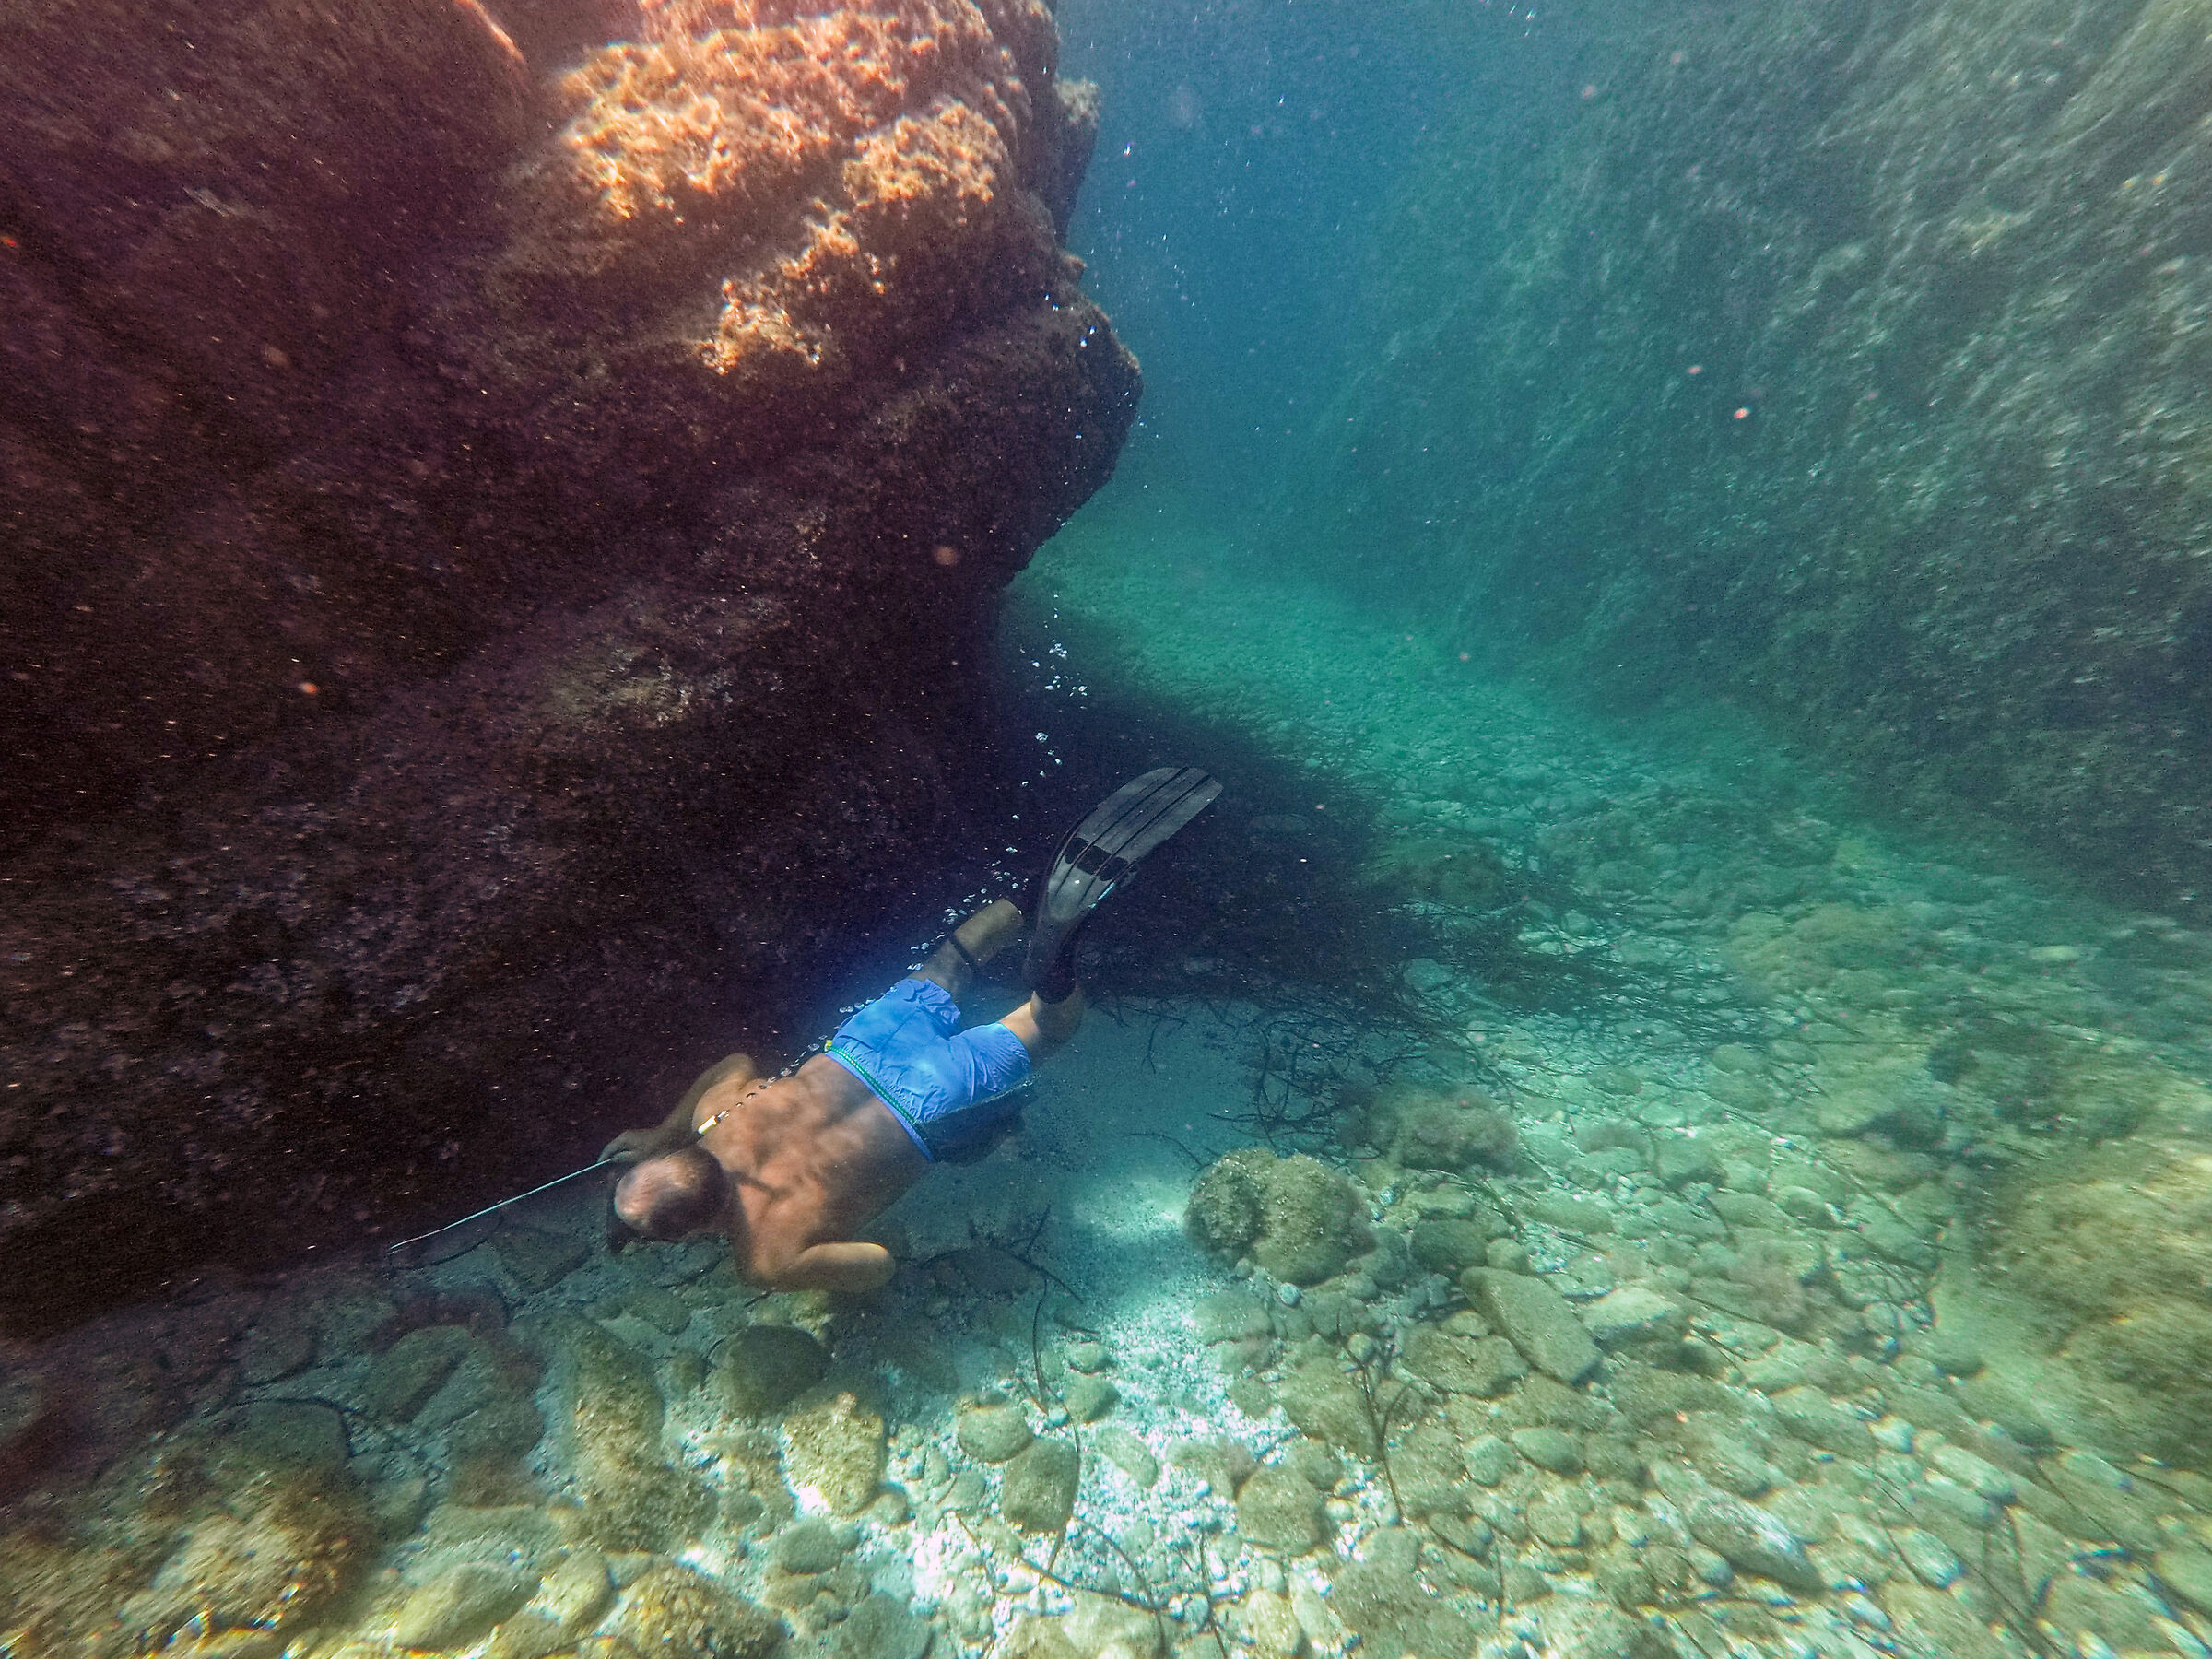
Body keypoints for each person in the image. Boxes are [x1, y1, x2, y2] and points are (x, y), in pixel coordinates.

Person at [603, 766, 1220, 1293]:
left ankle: (1054, 970)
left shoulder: (764, 1259)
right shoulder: (718, 1112)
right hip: (863, 1050)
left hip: (927, 1111)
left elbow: (878, 1266)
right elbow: (730, 1061)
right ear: (681, 1155)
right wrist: (664, 1129)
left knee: (1045, 1028)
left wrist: (818, 1256)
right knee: (948, 965)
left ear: (692, 1233)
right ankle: (1031, 899)